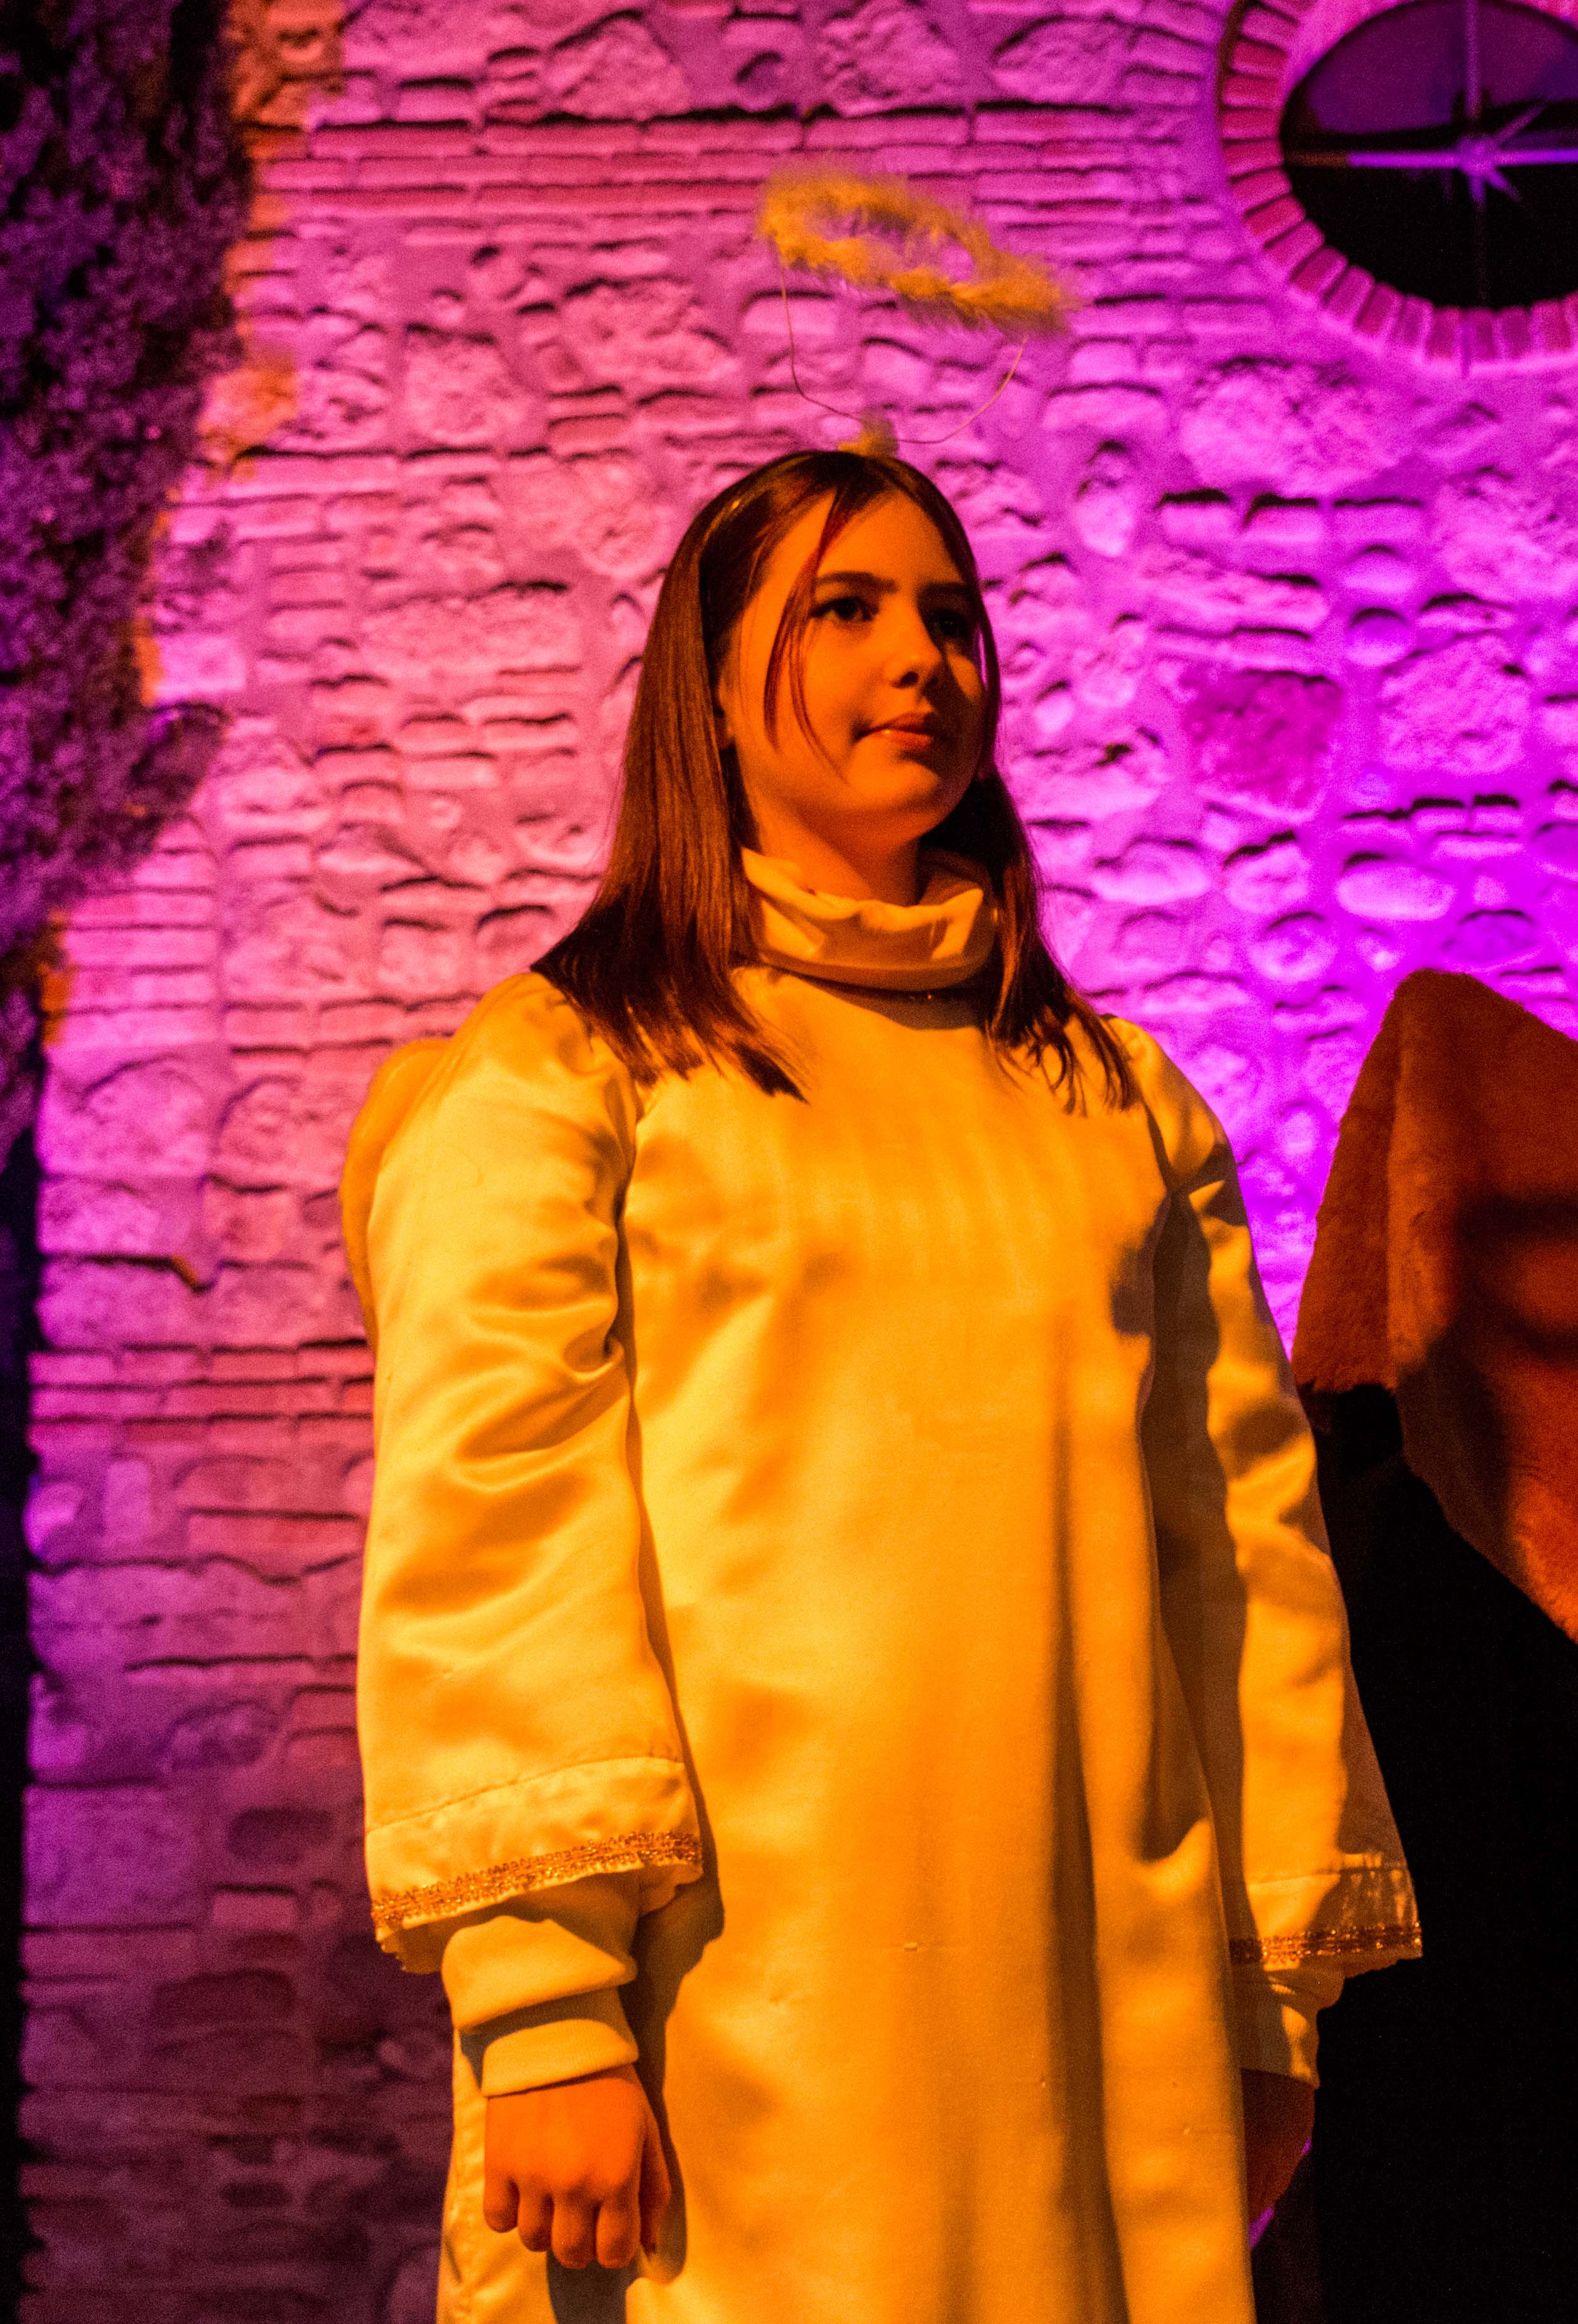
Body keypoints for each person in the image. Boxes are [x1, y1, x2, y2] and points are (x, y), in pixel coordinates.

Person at [344, 443, 1417, 2323]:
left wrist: (1272, 2009)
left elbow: (1244, 1565)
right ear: (715, 689)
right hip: (725, 2024)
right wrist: (541, 2009)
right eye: (843, 611)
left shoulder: (1110, 1109)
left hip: (1099, 2021)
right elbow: (501, 1532)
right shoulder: (570, 1077)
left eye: (947, 616)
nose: (919, 659)